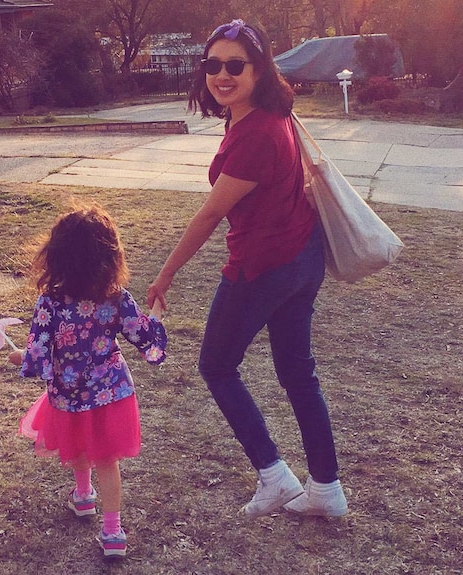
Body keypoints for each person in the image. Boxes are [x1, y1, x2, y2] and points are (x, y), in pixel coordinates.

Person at [146, 19, 347, 519]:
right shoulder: (264, 115)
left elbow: (212, 212)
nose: (222, 74)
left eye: (235, 65)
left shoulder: (256, 132)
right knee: (299, 375)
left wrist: (166, 273)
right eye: (212, 64)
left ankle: (275, 477)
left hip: (263, 267)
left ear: (259, 69)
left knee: (216, 366)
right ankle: (326, 490)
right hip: (302, 259)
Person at [10, 202, 167, 558]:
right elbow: (146, 338)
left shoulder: (50, 303)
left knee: (78, 445)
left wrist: (18, 357)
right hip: (111, 394)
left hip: (69, 396)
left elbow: (36, 352)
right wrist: (157, 313)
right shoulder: (116, 298)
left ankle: (83, 495)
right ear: (110, 256)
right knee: (107, 460)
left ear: (56, 256)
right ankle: (112, 531)